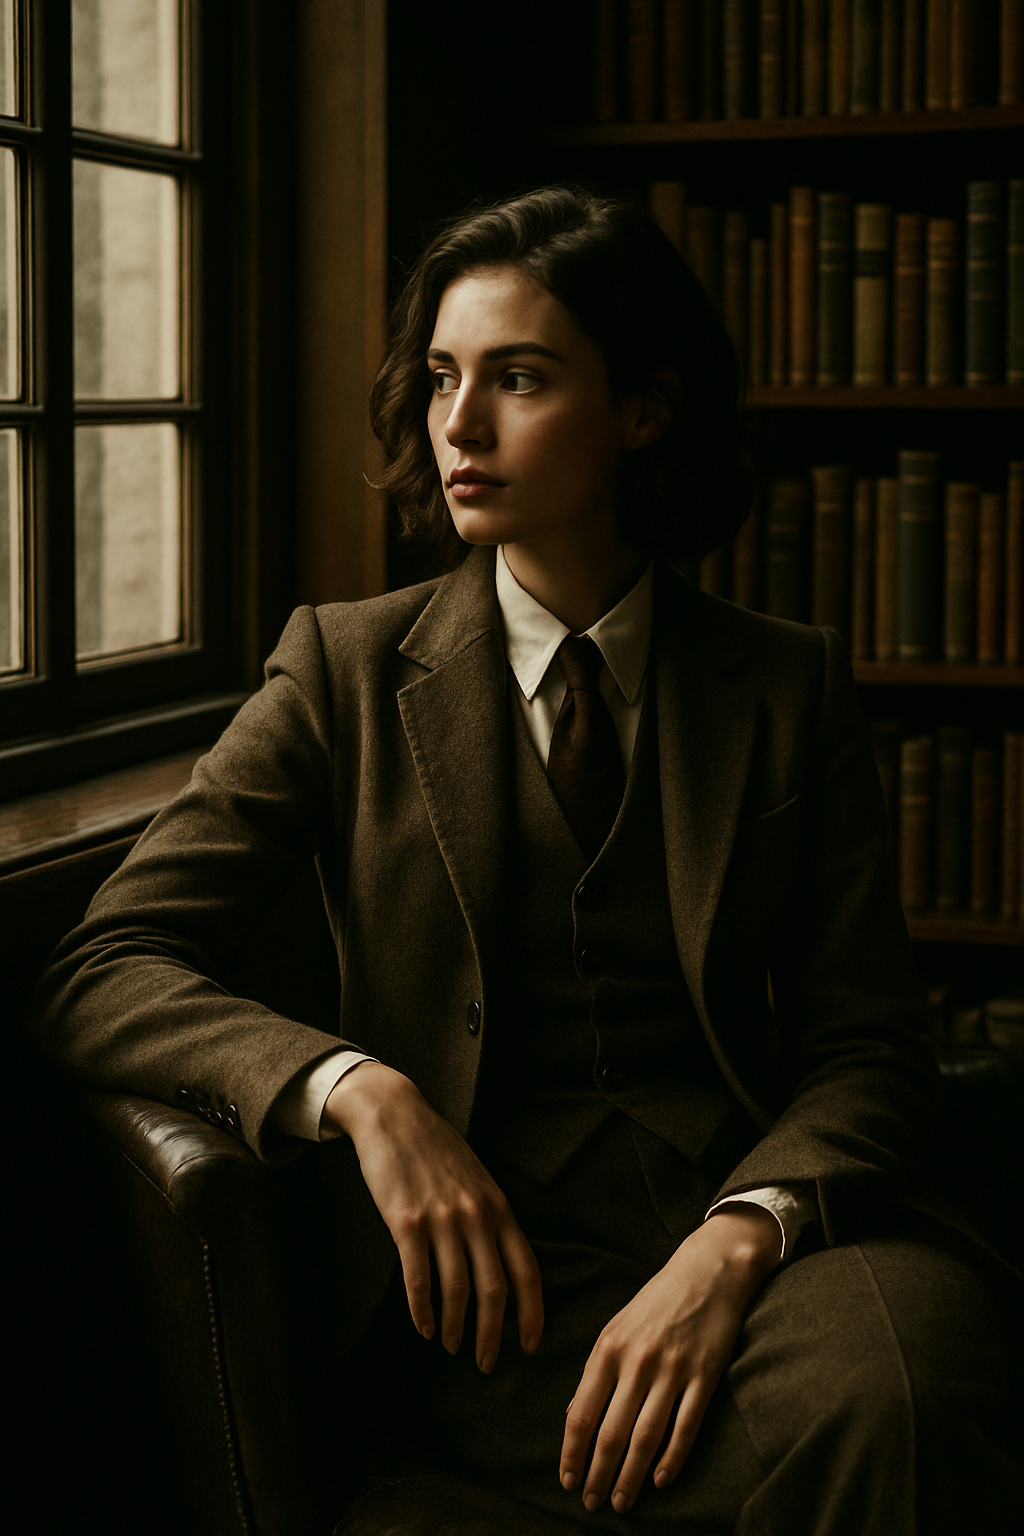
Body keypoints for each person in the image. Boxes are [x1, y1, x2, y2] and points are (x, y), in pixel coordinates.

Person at [35, 187, 1018, 1534]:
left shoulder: (783, 688)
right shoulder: (345, 671)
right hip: (485, 1291)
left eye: (520, 378)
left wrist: (741, 1237)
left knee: (912, 1392)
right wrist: (360, 1091)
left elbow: (868, 1047)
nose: (459, 424)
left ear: (644, 411)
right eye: (443, 376)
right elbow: (104, 961)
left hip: (764, 1229)